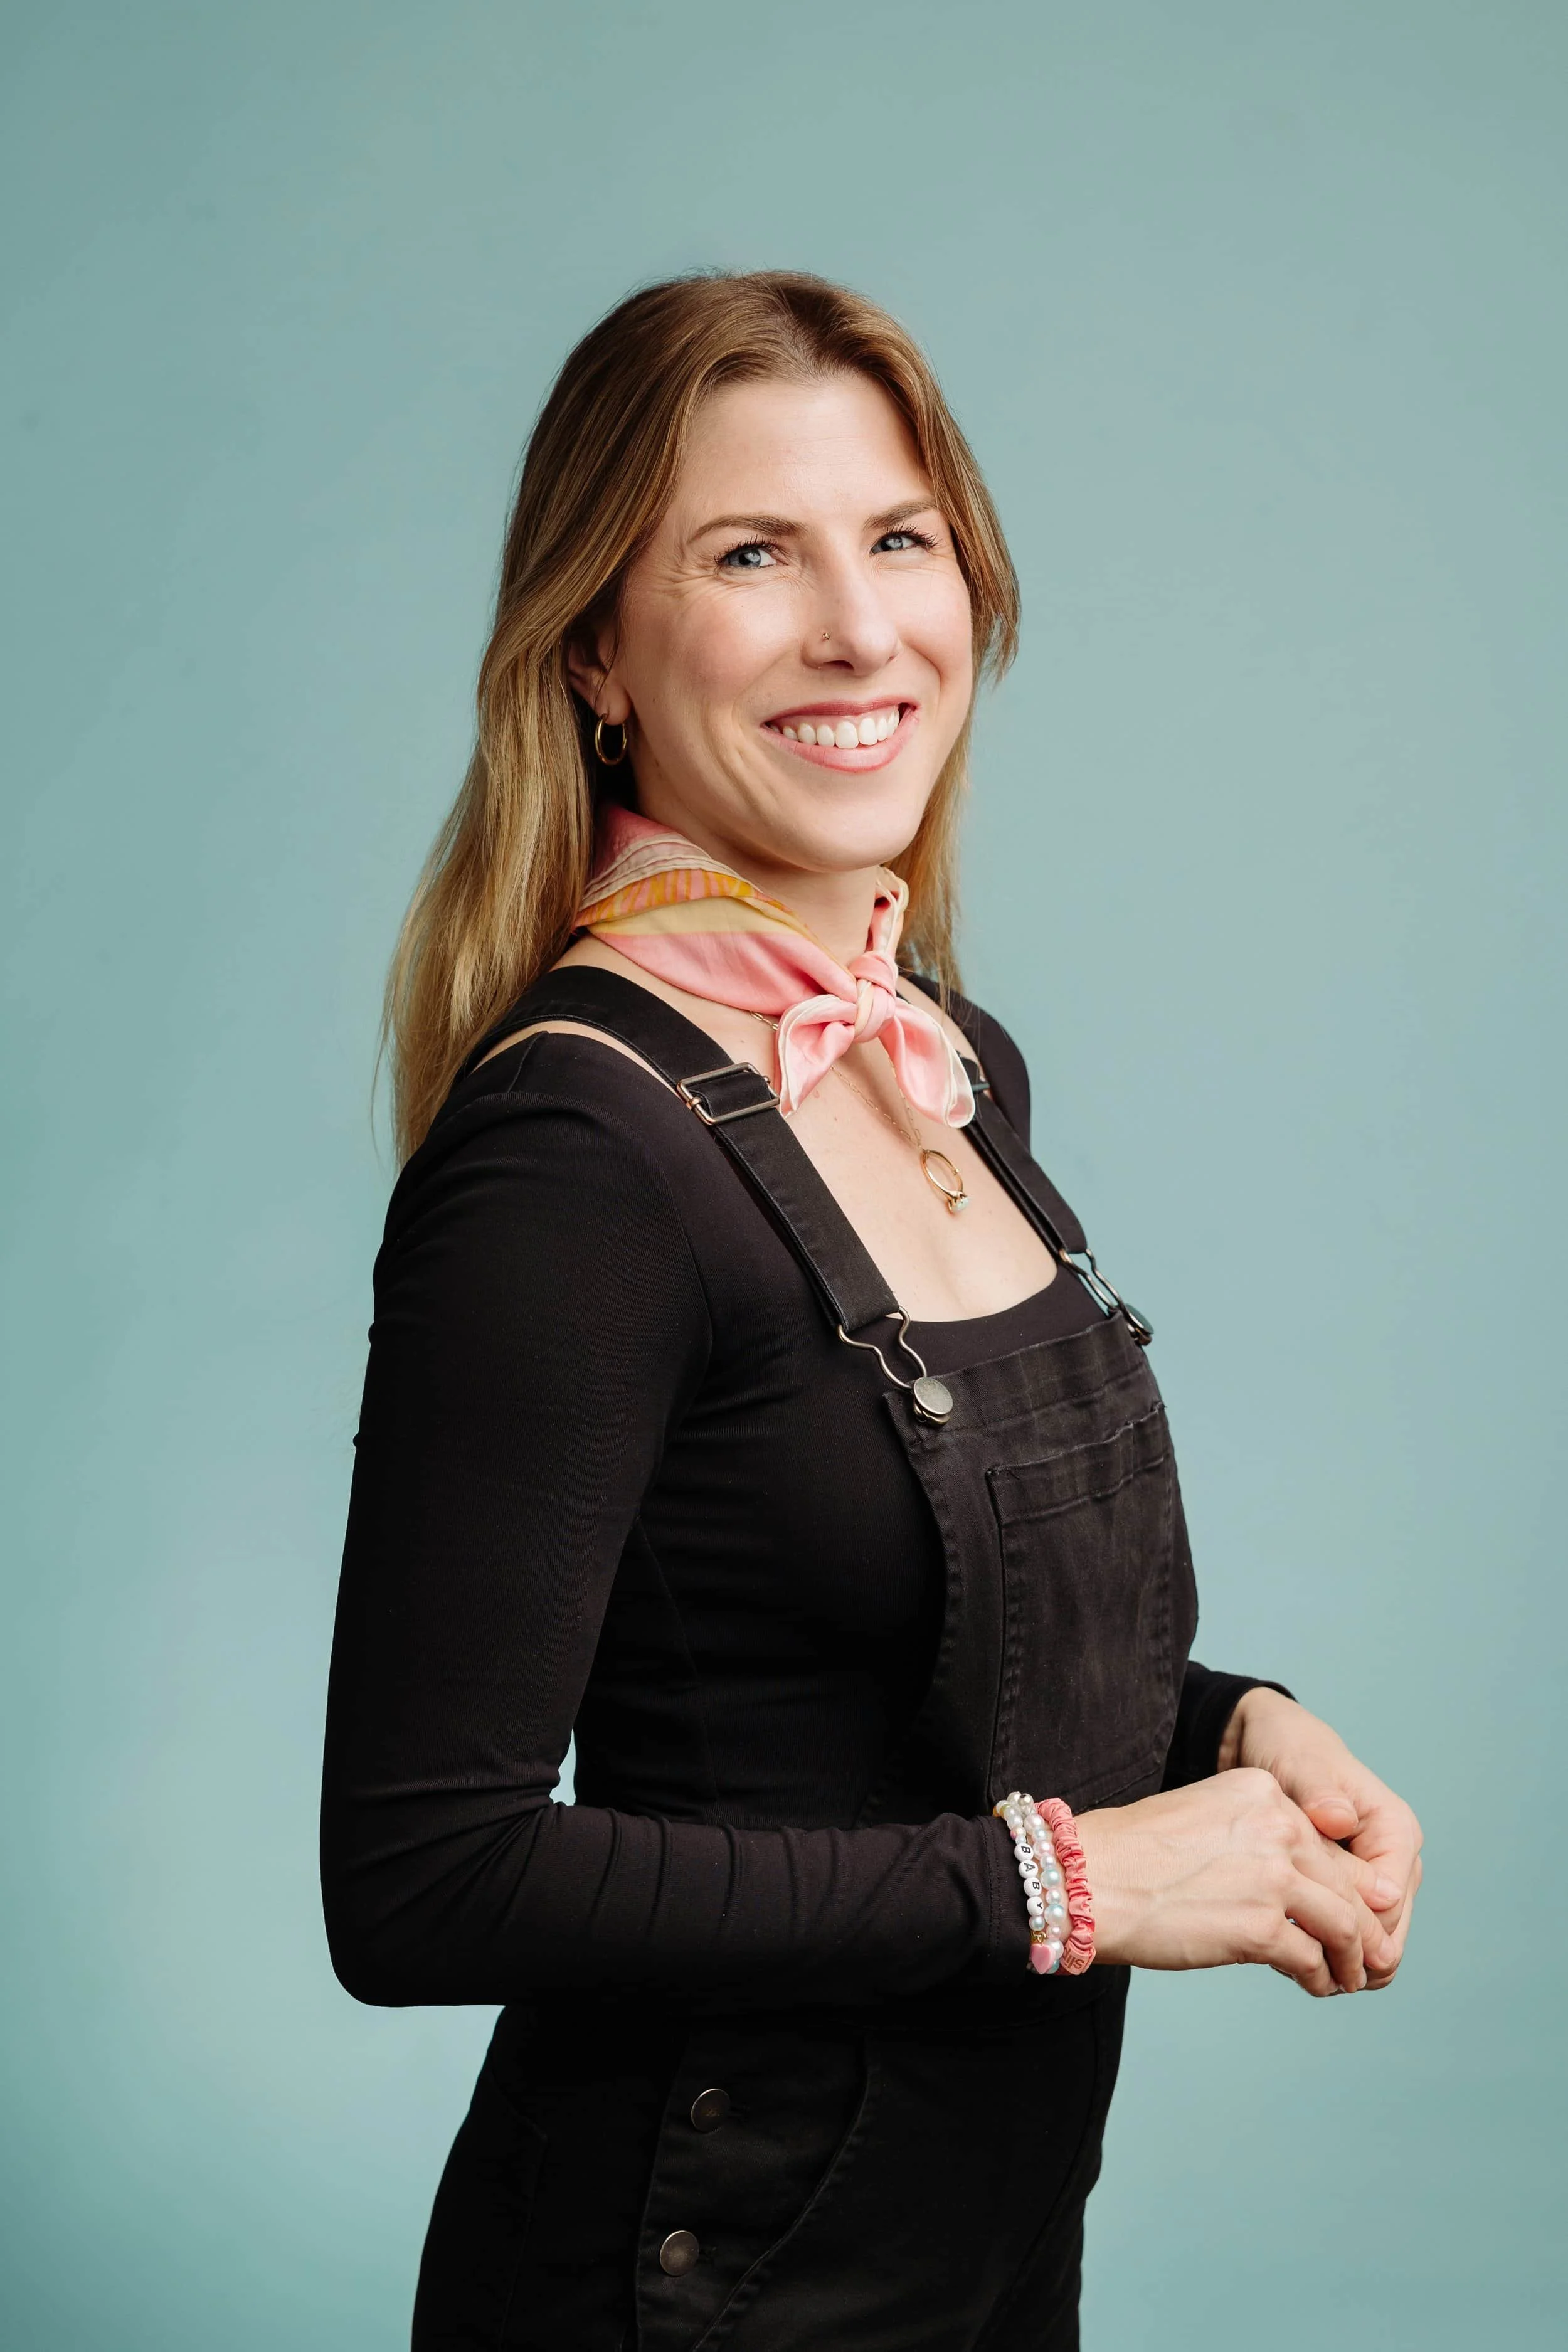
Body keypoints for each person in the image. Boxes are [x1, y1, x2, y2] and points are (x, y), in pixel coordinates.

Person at [320, 270, 1421, 2352]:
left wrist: (1228, 1732)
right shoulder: (580, 1151)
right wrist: (1075, 1887)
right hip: (695, 2283)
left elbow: (851, 1656)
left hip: (983, 2258)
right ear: (594, 653)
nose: (857, 629)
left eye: (897, 540)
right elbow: (422, 1878)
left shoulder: (947, 1058)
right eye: (751, 554)